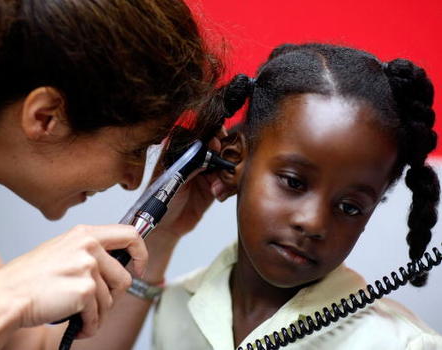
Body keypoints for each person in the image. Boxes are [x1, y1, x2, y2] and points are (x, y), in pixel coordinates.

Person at [0, 0, 225, 349]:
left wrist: (158, 235)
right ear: (45, 117)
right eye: (134, 150)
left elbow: (40, 348)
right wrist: (10, 295)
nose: (132, 180)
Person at [152, 43, 442, 349]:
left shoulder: (403, 344)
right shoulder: (176, 305)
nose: (313, 222)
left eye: (349, 207)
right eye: (293, 182)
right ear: (234, 159)